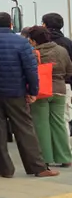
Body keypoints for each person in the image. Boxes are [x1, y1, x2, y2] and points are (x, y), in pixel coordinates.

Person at [0, 12, 58, 178]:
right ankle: (37, 167)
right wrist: (33, 91)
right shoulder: (22, 43)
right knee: (25, 129)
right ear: (11, 24)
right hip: (16, 92)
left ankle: (4, 170)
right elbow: (31, 69)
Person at [25, 25, 72, 168]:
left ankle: (45, 158)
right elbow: (69, 71)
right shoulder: (61, 50)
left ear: (33, 40)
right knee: (59, 123)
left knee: (41, 125)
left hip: (41, 91)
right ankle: (65, 157)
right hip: (59, 89)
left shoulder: (33, 53)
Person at [41, 13, 72, 135]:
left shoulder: (41, 43)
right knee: (62, 120)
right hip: (64, 86)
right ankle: (65, 150)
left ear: (45, 25)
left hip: (43, 87)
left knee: (44, 121)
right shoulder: (68, 43)